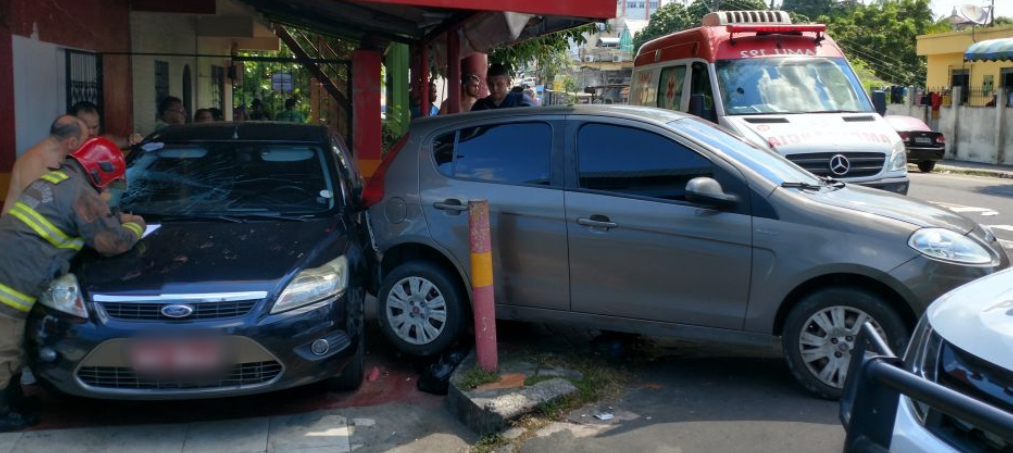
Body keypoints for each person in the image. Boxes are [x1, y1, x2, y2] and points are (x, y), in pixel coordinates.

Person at [0, 137, 145, 431]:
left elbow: (79, 219)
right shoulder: (80, 193)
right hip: (12, 281)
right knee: (5, 349)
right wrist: (136, 225)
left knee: (14, 346)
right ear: (101, 171)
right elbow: (111, 242)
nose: (110, 189)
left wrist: (112, 216)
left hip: (10, 265)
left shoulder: (54, 180)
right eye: (111, 182)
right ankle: (3, 414)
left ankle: (14, 402)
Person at [2, 116, 88, 216]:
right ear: (72, 142)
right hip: (18, 229)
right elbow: (38, 207)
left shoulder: (63, 159)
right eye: (85, 141)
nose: (87, 145)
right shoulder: (34, 162)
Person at [69, 102, 142, 148]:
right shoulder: (65, 146)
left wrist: (132, 139)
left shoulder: (101, 141)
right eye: (87, 127)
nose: (91, 132)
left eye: (95, 127)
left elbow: (124, 141)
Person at [471, 63, 535, 111]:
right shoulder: (480, 106)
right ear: (487, 83)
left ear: (508, 82)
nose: (495, 89)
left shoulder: (521, 101)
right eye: (491, 84)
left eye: (499, 84)